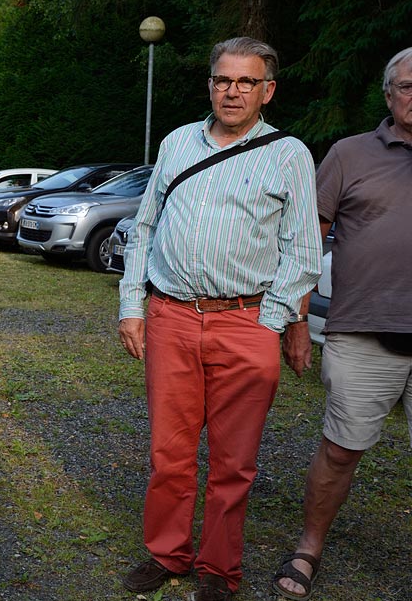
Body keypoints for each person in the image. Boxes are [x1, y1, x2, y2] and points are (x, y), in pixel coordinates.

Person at [117, 37, 321, 601]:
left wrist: (270, 322)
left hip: (245, 321)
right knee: (169, 452)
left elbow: (302, 249)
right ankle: (167, 552)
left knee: (234, 462)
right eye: (222, 80)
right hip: (172, 317)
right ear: (210, 84)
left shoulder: (289, 154)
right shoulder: (179, 142)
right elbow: (145, 227)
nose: (232, 91)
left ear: (267, 91)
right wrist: (132, 305)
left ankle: (218, 569)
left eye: (245, 82)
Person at [271, 47, 412, 601]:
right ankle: (308, 548)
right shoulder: (348, 155)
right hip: (361, 337)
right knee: (340, 449)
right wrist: (298, 321)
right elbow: (307, 239)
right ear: (388, 94)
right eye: (407, 86)